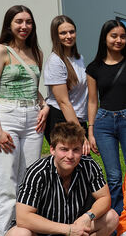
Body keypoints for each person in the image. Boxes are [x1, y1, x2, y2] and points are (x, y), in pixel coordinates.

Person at [0, 5, 49, 236]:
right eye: (19, 21)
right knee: (5, 185)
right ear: (9, 24)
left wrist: (45, 104)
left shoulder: (36, 52)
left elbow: (33, 88)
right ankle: (2, 232)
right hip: (6, 116)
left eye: (28, 21)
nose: (24, 26)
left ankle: (21, 231)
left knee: (29, 181)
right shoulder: (1, 51)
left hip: (32, 121)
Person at [6, 122, 119, 236]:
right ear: (52, 150)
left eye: (75, 149)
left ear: (82, 149)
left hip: (77, 228)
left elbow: (104, 198)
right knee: (19, 233)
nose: (70, 156)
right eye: (64, 149)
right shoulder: (37, 172)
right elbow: (23, 218)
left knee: (112, 217)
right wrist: (68, 229)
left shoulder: (89, 166)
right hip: (43, 232)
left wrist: (88, 216)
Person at [86, 20, 126, 214]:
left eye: (123, 37)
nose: (119, 40)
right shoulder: (93, 68)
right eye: (114, 36)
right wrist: (90, 131)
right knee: (114, 176)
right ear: (105, 38)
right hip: (103, 123)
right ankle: (118, 216)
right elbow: (92, 101)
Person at [43, 15, 90, 154]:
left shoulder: (79, 58)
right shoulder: (55, 61)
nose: (68, 36)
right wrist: (81, 134)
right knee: (70, 163)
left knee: (81, 165)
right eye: (63, 33)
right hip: (61, 119)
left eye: (71, 31)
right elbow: (63, 102)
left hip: (77, 118)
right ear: (55, 36)